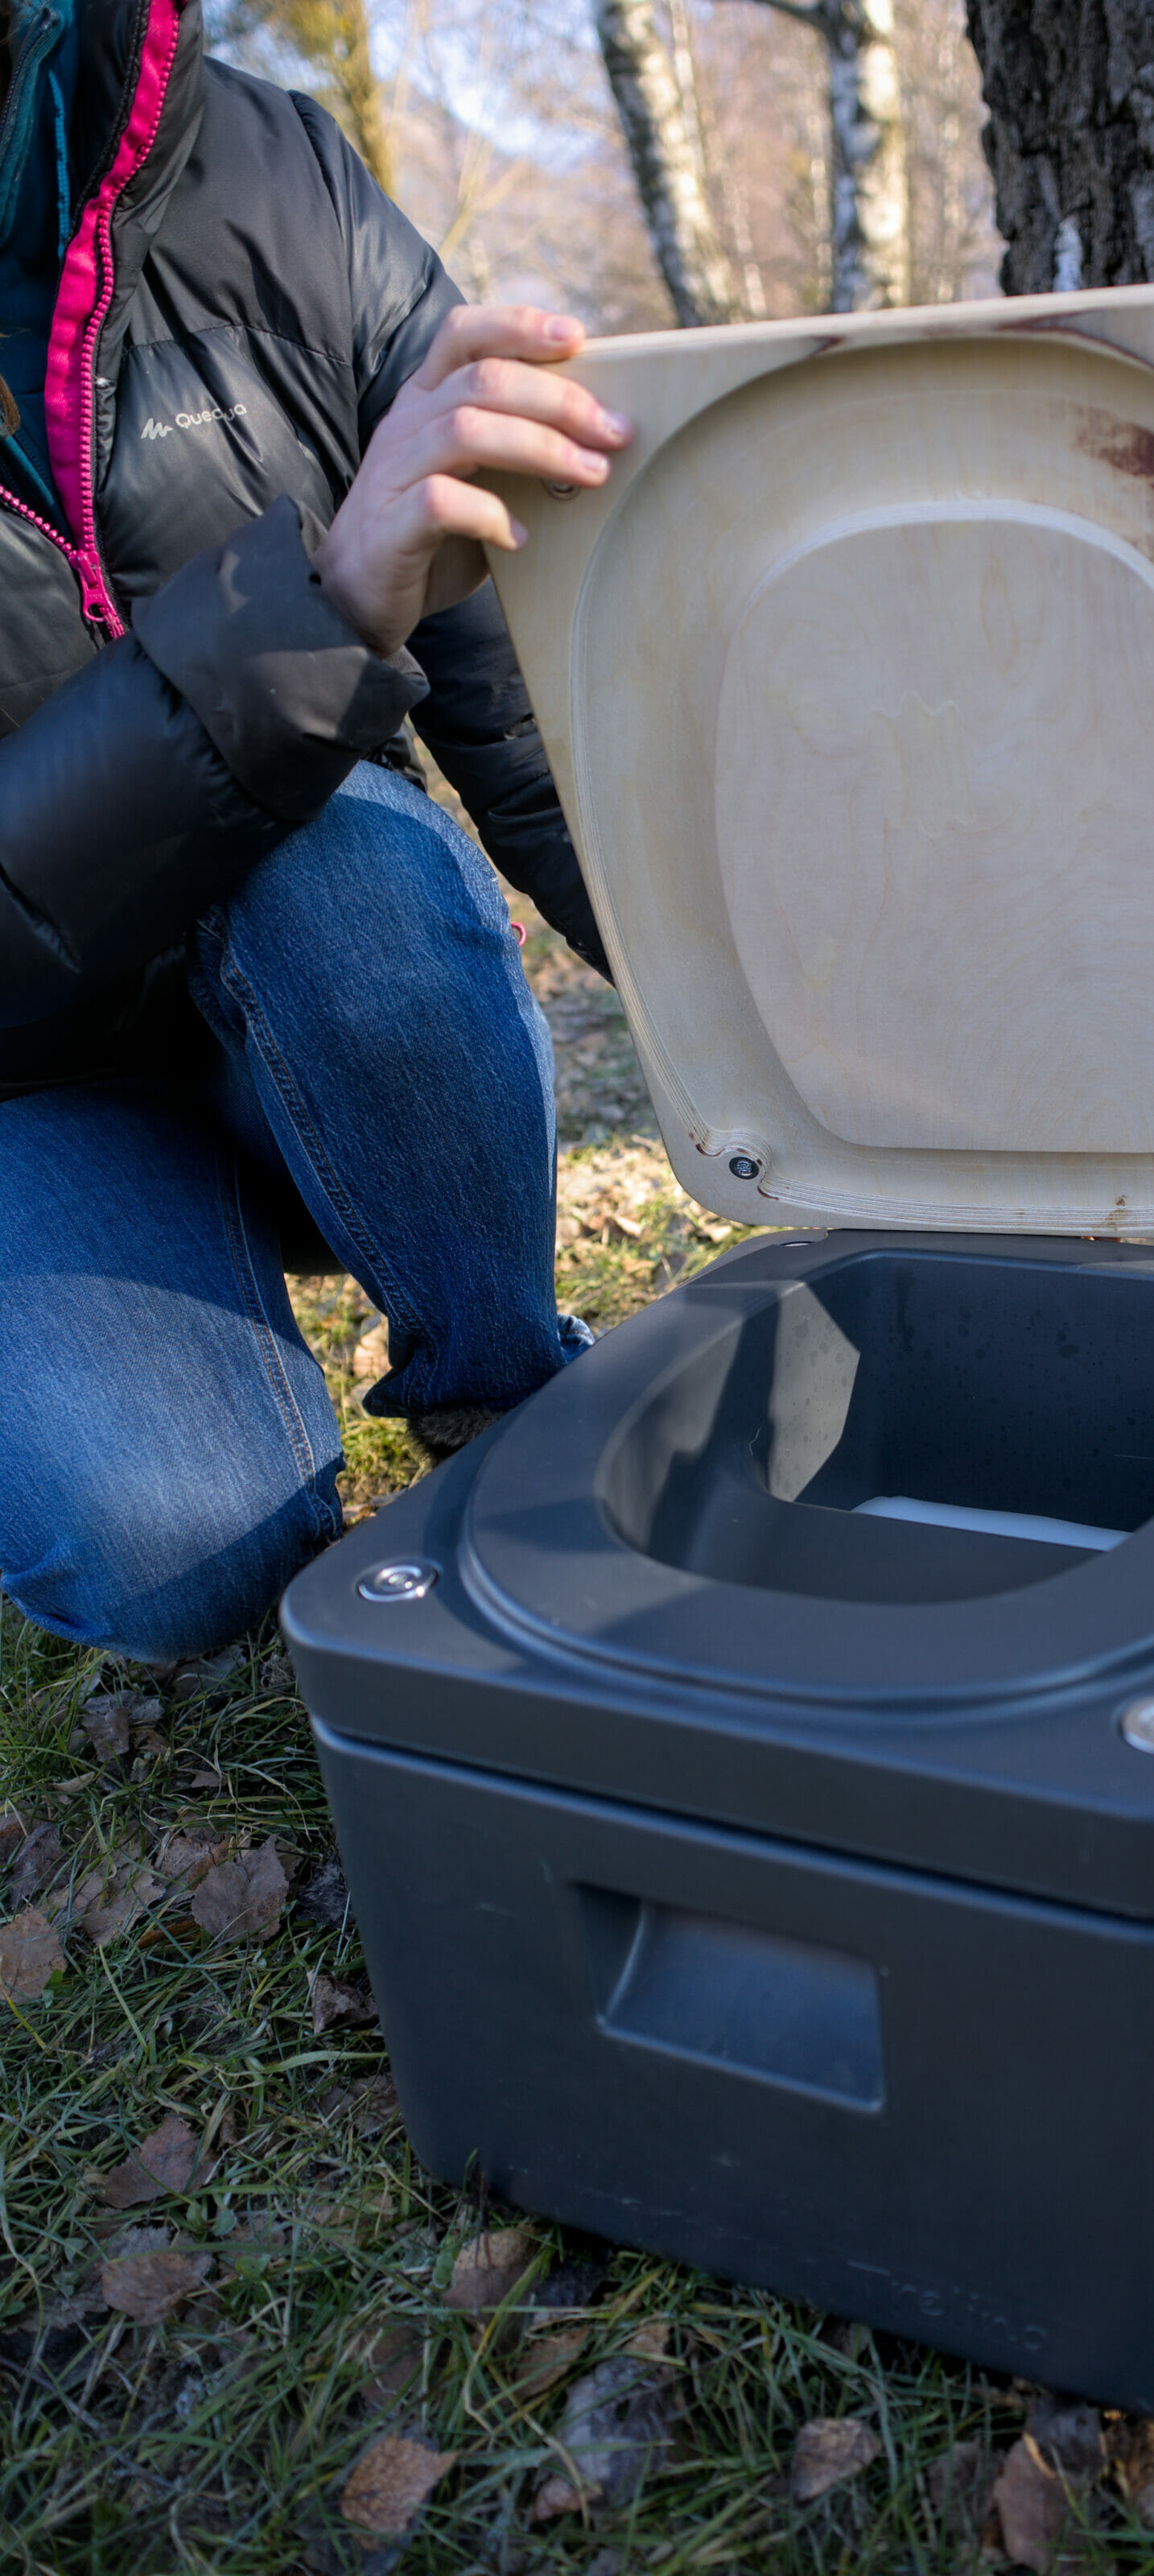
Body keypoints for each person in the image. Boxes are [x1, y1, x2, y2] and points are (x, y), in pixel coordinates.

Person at [0, 0, 633, 1662]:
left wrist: (832, 1067)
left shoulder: (279, 172)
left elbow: (521, 714)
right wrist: (313, 613)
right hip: (25, 1083)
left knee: (349, 853)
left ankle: (506, 1414)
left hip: (314, 990)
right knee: (174, 1555)